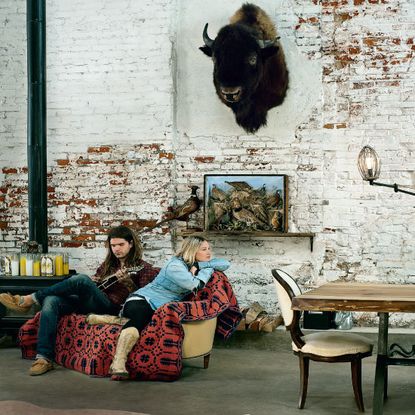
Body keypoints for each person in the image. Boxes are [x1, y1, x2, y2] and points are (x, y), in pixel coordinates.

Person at [0, 225, 156, 376]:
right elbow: (99, 285)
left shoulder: (144, 268)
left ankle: (29, 299)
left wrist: (129, 283)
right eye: (113, 245)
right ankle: (44, 358)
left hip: (112, 307)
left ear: (131, 244)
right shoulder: (109, 264)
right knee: (51, 300)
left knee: (81, 279)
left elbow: (144, 300)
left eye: (121, 244)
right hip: (93, 301)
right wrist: (95, 281)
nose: (116, 249)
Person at [105, 235, 230, 379]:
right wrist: (207, 268)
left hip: (158, 307)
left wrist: (202, 265)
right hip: (143, 300)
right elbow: (195, 285)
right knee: (138, 321)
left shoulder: (194, 264)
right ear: (192, 251)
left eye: (209, 249)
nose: (209, 252)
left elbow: (225, 263)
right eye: (204, 249)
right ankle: (118, 363)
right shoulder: (175, 266)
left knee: (142, 320)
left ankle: (113, 319)